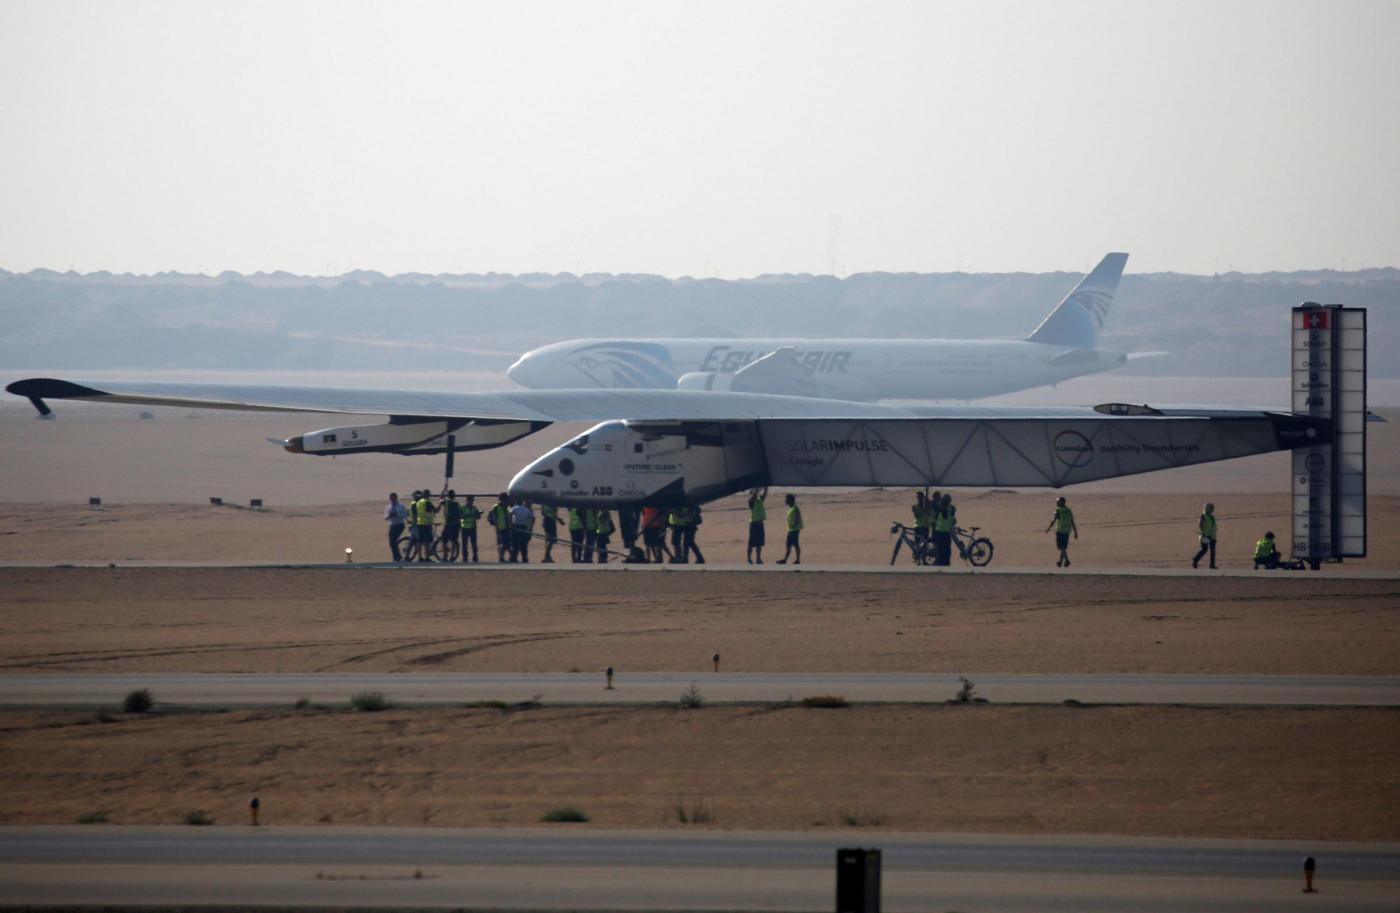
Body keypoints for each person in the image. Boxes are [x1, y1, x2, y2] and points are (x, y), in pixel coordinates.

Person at [1045, 495, 1078, 567]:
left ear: (1062, 502)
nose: (1057, 503)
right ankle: (1060, 562)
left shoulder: (1058, 510)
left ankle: (1067, 560)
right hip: (1067, 531)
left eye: (1058, 502)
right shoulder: (1069, 511)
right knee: (1063, 547)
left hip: (1060, 530)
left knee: (1061, 547)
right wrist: (1075, 532)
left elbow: (1053, 520)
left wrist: (1048, 528)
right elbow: (1072, 522)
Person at [776, 493, 802, 565]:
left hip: (795, 529)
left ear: (789, 500)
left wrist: (794, 524)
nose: (785, 501)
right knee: (788, 545)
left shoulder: (795, 508)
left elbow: (797, 517)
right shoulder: (791, 508)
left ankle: (798, 560)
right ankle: (785, 559)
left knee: (795, 545)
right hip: (790, 529)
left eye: (786, 500)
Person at [932, 493, 956, 566]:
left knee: (940, 550)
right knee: (946, 550)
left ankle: (940, 563)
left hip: (940, 532)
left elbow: (936, 509)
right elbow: (953, 520)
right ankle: (946, 563)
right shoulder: (951, 508)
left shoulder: (942, 508)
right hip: (946, 532)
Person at [412, 489, 436, 563]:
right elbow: (436, 510)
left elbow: (415, 513)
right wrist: (441, 503)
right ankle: (427, 558)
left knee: (419, 541)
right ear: (428, 495)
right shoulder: (427, 502)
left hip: (419, 523)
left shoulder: (419, 502)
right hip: (426, 524)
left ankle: (420, 557)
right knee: (427, 541)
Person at [1193, 502, 1218, 569]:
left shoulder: (1212, 517)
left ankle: (1212, 565)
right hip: (1205, 536)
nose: (1212, 509)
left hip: (1212, 536)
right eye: (1211, 508)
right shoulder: (1203, 516)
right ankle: (1195, 560)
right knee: (1204, 550)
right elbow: (1200, 524)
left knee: (1213, 551)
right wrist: (1203, 532)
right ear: (1207, 508)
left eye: (1213, 508)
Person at [384, 492, 408, 562]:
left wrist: (397, 514)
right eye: (391, 498)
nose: (392, 499)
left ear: (396, 498)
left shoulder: (401, 506)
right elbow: (385, 517)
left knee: (394, 540)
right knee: (391, 542)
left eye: (393, 498)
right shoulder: (388, 507)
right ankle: (396, 557)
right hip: (392, 525)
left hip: (400, 525)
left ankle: (398, 557)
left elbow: (405, 515)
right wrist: (390, 515)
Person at [747, 487, 768, 564]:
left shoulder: (759, 500)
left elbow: (765, 494)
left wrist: (766, 486)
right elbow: (753, 496)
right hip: (754, 524)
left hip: (760, 523)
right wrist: (756, 489)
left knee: (759, 543)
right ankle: (749, 558)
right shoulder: (750, 501)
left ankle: (758, 559)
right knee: (751, 543)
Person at [509, 498, 535, 562]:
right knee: (524, 544)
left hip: (516, 527)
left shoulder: (514, 508)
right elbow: (532, 517)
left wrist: (510, 524)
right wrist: (531, 527)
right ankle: (524, 558)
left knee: (515, 544)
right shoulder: (526, 509)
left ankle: (514, 558)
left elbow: (509, 514)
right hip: (524, 527)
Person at [489, 493, 512, 562]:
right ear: (503, 500)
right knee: (503, 544)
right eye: (507, 499)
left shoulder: (507, 507)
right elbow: (494, 518)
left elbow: (509, 518)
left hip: (507, 528)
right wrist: (497, 529)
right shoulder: (496, 507)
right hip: (501, 529)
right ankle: (501, 557)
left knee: (507, 544)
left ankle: (509, 557)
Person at [441, 490, 463, 560]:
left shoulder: (446, 502)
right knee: (453, 541)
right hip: (456, 524)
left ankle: (445, 556)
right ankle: (452, 556)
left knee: (444, 540)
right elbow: (460, 514)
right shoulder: (457, 504)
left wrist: (443, 490)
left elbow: (441, 498)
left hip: (448, 524)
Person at [460, 495, 482, 563]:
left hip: (472, 527)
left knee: (474, 544)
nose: (472, 502)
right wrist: (470, 515)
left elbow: (478, 517)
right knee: (464, 544)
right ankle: (465, 558)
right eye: (471, 500)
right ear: (467, 500)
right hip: (465, 528)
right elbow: (461, 516)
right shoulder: (463, 508)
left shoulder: (474, 508)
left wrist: (478, 514)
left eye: (473, 500)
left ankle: (475, 557)